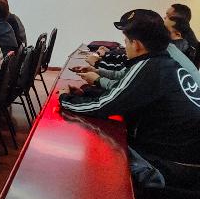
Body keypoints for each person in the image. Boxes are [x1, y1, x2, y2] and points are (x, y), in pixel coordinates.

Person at [60, 9, 200, 186]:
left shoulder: (150, 67)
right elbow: (125, 92)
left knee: (100, 156)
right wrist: (86, 93)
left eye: (126, 42)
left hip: (175, 164)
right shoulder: (164, 62)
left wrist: (65, 99)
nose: (125, 46)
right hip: (187, 156)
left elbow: (102, 106)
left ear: (137, 45)